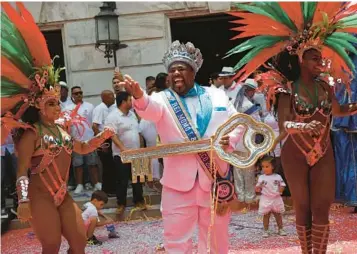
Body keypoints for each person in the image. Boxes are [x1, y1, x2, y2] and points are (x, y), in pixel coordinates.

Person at [227, 2, 357, 253]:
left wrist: (353, 107)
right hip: (295, 153)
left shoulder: (325, 88)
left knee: (322, 207)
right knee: (303, 207)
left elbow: (338, 111)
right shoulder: (287, 90)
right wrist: (303, 126)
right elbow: (285, 124)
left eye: (321, 56)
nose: (320, 61)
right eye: (314, 57)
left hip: (323, 151)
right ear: (300, 58)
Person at [1, 3, 115, 253]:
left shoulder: (63, 130)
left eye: (56, 102)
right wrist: (23, 200)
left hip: (63, 194)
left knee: (79, 240)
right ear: (40, 107)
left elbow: (83, 148)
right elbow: (21, 171)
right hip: (39, 197)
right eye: (51, 103)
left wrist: (102, 136)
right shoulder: (31, 134)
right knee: (51, 245)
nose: (57, 107)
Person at [121, 40, 244, 253]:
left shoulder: (216, 95)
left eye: (181, 68)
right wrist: (139, 96)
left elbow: (238, 122)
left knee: (216, 242)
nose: (176, 73)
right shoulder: (161, 99)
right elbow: (148, 110)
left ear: (193, 71)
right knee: (176, 242)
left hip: (215, 180)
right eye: (172, 70)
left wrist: (230, 139)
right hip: (177, 185)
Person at [104, 92, 146, 214]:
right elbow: (112, 135)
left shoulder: (132, 114)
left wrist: (142, 147)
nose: (132, 102)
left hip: (136, 153)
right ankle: (121, 204)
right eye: (129, 100)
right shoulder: (113, 116)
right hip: (121, 154)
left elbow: (137, 132)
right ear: (123, 102)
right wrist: (123, 148)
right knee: (122, 180)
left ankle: (139, 200)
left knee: (137, 178)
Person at [65, 86, 102, 194]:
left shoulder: (90, 106)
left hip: (89, 140)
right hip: (75, 141)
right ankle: (79, 185)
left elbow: (94, 123)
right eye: (76, 93)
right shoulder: (67, 108)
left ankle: (96, 183)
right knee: (77, 165)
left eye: (80, 93)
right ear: (72, 95)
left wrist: (96, 138)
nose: (78, 95)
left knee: (93, 163)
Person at [231, 79, 262, 204]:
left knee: (237, 169)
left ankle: (240, 195)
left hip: (235, 141)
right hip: (248, 141)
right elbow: (258, 124)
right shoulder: (250, 106)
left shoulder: (235, 104)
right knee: (248, 169)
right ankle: (249, 196)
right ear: (250, 91)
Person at [255, 155, 287, 237]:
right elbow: (257, 188)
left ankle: (280, 229)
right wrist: (258, 188)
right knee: (266, 215)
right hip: (266, 198)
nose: (264, 169)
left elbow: (282, 185)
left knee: (278, 215)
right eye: (263, 167)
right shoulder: (261, 177)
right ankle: (266, 230)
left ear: (272, 167)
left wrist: (281, 190)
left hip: (276, 198)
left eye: (267, 166)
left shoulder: (277, 176)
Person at [92, 90, 116, 196]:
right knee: (107, 166)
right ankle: (107, 190)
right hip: (104, 140)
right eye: (110, 96)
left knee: (111, 165)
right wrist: (101, 143)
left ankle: (112, 189)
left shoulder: (110, 108)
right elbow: (95, 126)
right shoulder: (100, 109)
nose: (113, 97)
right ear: (104, 98)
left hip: (110, 139)